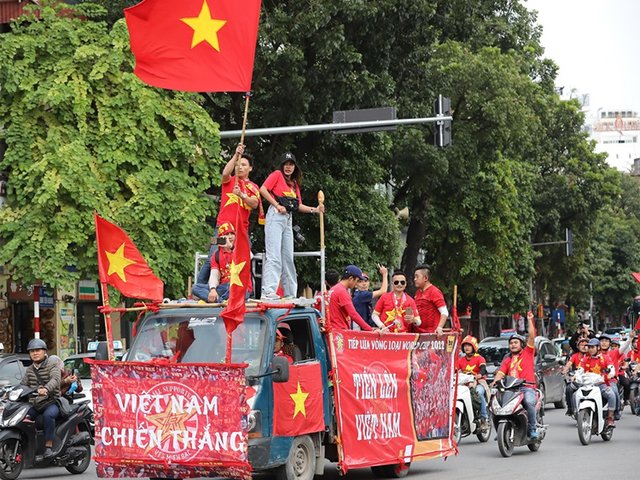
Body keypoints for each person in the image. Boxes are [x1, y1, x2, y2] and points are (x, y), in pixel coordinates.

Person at [192, 144, 260, 301]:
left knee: (243, 259)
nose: (240, 167)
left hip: (240, 231)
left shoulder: (253, 186)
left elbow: (255, 203)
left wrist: (241, 195)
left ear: (250, 168)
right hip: (221, 228)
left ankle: (244, 291)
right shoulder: (230, 181)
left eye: (244, 165)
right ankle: (200, 292)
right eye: (238, 164)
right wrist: (236, 155)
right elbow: (224, 173)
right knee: (212, 256)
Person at [259, 153, 324, 299]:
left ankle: (290, 294)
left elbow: (298, 205)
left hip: (288, 218)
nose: (288, 167)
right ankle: (268, 291)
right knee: (274, 255)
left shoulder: (294, 184)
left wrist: (315, 210)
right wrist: (277, 205)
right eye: (286, 164)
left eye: (291, 164)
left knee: (288, 257)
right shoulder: (277, 175)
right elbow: (263, 189)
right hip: (276, 215)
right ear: (282, 166)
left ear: (295, 167)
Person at [491, 311, 539, 439]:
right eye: (511, 343)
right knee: (495, 405)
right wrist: (495, 382)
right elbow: (500, 373)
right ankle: (500, 431)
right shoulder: (507, 359)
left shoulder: (528, 352)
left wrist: (530, 320)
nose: (513, 345)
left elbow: (532, 336)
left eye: (515, 342)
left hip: (527, 388)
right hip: (510, 390)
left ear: (522, 344)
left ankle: (532, 429)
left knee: (529, 402)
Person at [20, 338, 61, 457]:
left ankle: (48, 446)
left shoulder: (52, 365)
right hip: (36, 404)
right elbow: (23, 385)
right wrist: (12, 392)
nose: (35, 353)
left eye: (38, 350)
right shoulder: (29, 370)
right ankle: (25, 445)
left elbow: (55, 379)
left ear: (44, 351)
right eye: (32, 351)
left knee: (48, 416)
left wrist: (46, 389)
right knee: (22, 417)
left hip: (52, 402)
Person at [579, 338, 617, 427]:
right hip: (587, 385)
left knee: (611, 395)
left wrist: (610, 374)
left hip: (600, 384)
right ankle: (577, 414)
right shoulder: (585, 359)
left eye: (593, 347)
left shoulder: (605, 358)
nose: (590, 349)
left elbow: (611, 368)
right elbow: (580, 370)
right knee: (574, 395)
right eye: (589, 347)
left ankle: (610, 418)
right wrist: (575, 376)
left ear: (598, 348)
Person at [326, 265, 374, 332]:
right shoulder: (342, 291)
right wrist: (370, 329)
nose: (356, 284)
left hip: (332, 329)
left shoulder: (333, 289)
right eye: (357, 280)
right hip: (339, 331)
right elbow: (353, 314)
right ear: (351, 278)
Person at [456, 335, 489, 429]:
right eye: (465, 346)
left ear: (474, 346)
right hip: (464, 383)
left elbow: (483, 369)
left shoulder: (479, 358)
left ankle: (483, 418)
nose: (466, 348)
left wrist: (479, 375)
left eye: (469, 345)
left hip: (478, 382)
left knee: (478, 392)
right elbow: (455, 370)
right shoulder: (461, 360)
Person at [207, 222, 238, 303]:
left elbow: (249, 256)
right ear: (221, 238)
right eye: (227, 234)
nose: (230, 237)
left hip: (238, 286)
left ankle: (218, 300)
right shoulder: (216, 255)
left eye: (232, 234)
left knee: (235, 289)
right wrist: (213, 289)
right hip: (223, 286)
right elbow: (214, 275)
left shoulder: (240, 248)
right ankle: (221, 299)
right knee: (196, 288)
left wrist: (231, 247)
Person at [413, 264, 448, 335]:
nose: (415, 279)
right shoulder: (417, 293)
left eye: (417, 276)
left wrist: (439, 327)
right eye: (414, 277)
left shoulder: (434, 292)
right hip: (418, 334)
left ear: (425, 278)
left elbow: (444, 312)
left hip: (431, 334)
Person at [562, 337, 589, 416]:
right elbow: (569, 364)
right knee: (569, 388)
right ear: (578, 346)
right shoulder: (574, 356)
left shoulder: (591, 356)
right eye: (582, 345)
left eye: (586, 345)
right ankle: (570, 408)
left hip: (590, 379)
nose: (584, 347)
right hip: (578, 378)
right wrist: (565, 370)